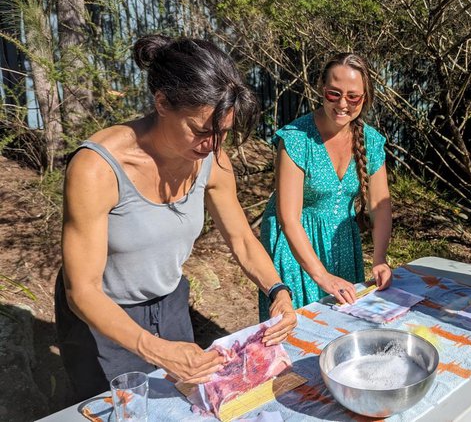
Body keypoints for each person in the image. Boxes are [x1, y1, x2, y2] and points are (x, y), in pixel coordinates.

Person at [56, 34, 297, 402]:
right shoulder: (97, 168)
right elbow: (82, 291)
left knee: (183, 403)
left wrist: (277, 290)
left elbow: (242, 240)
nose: (213, 145)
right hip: (103, 317)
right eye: (201, 130)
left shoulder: (212, 160)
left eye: (223, 132)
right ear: (162, 102)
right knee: (121, 409)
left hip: (169, 304)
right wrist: (154, 349)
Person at [258, 52, 392, 317]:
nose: (343, 104)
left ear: (365, 97)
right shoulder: (296, 139)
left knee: (342, 322)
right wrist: (322, 276)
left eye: (353, 96)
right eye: (334, 94)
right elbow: (289, 219)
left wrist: (379, 259)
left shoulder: (371, 141)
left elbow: (380, 206)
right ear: (322, 88)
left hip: (341, 241)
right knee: (299, 327)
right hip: (294, 244)